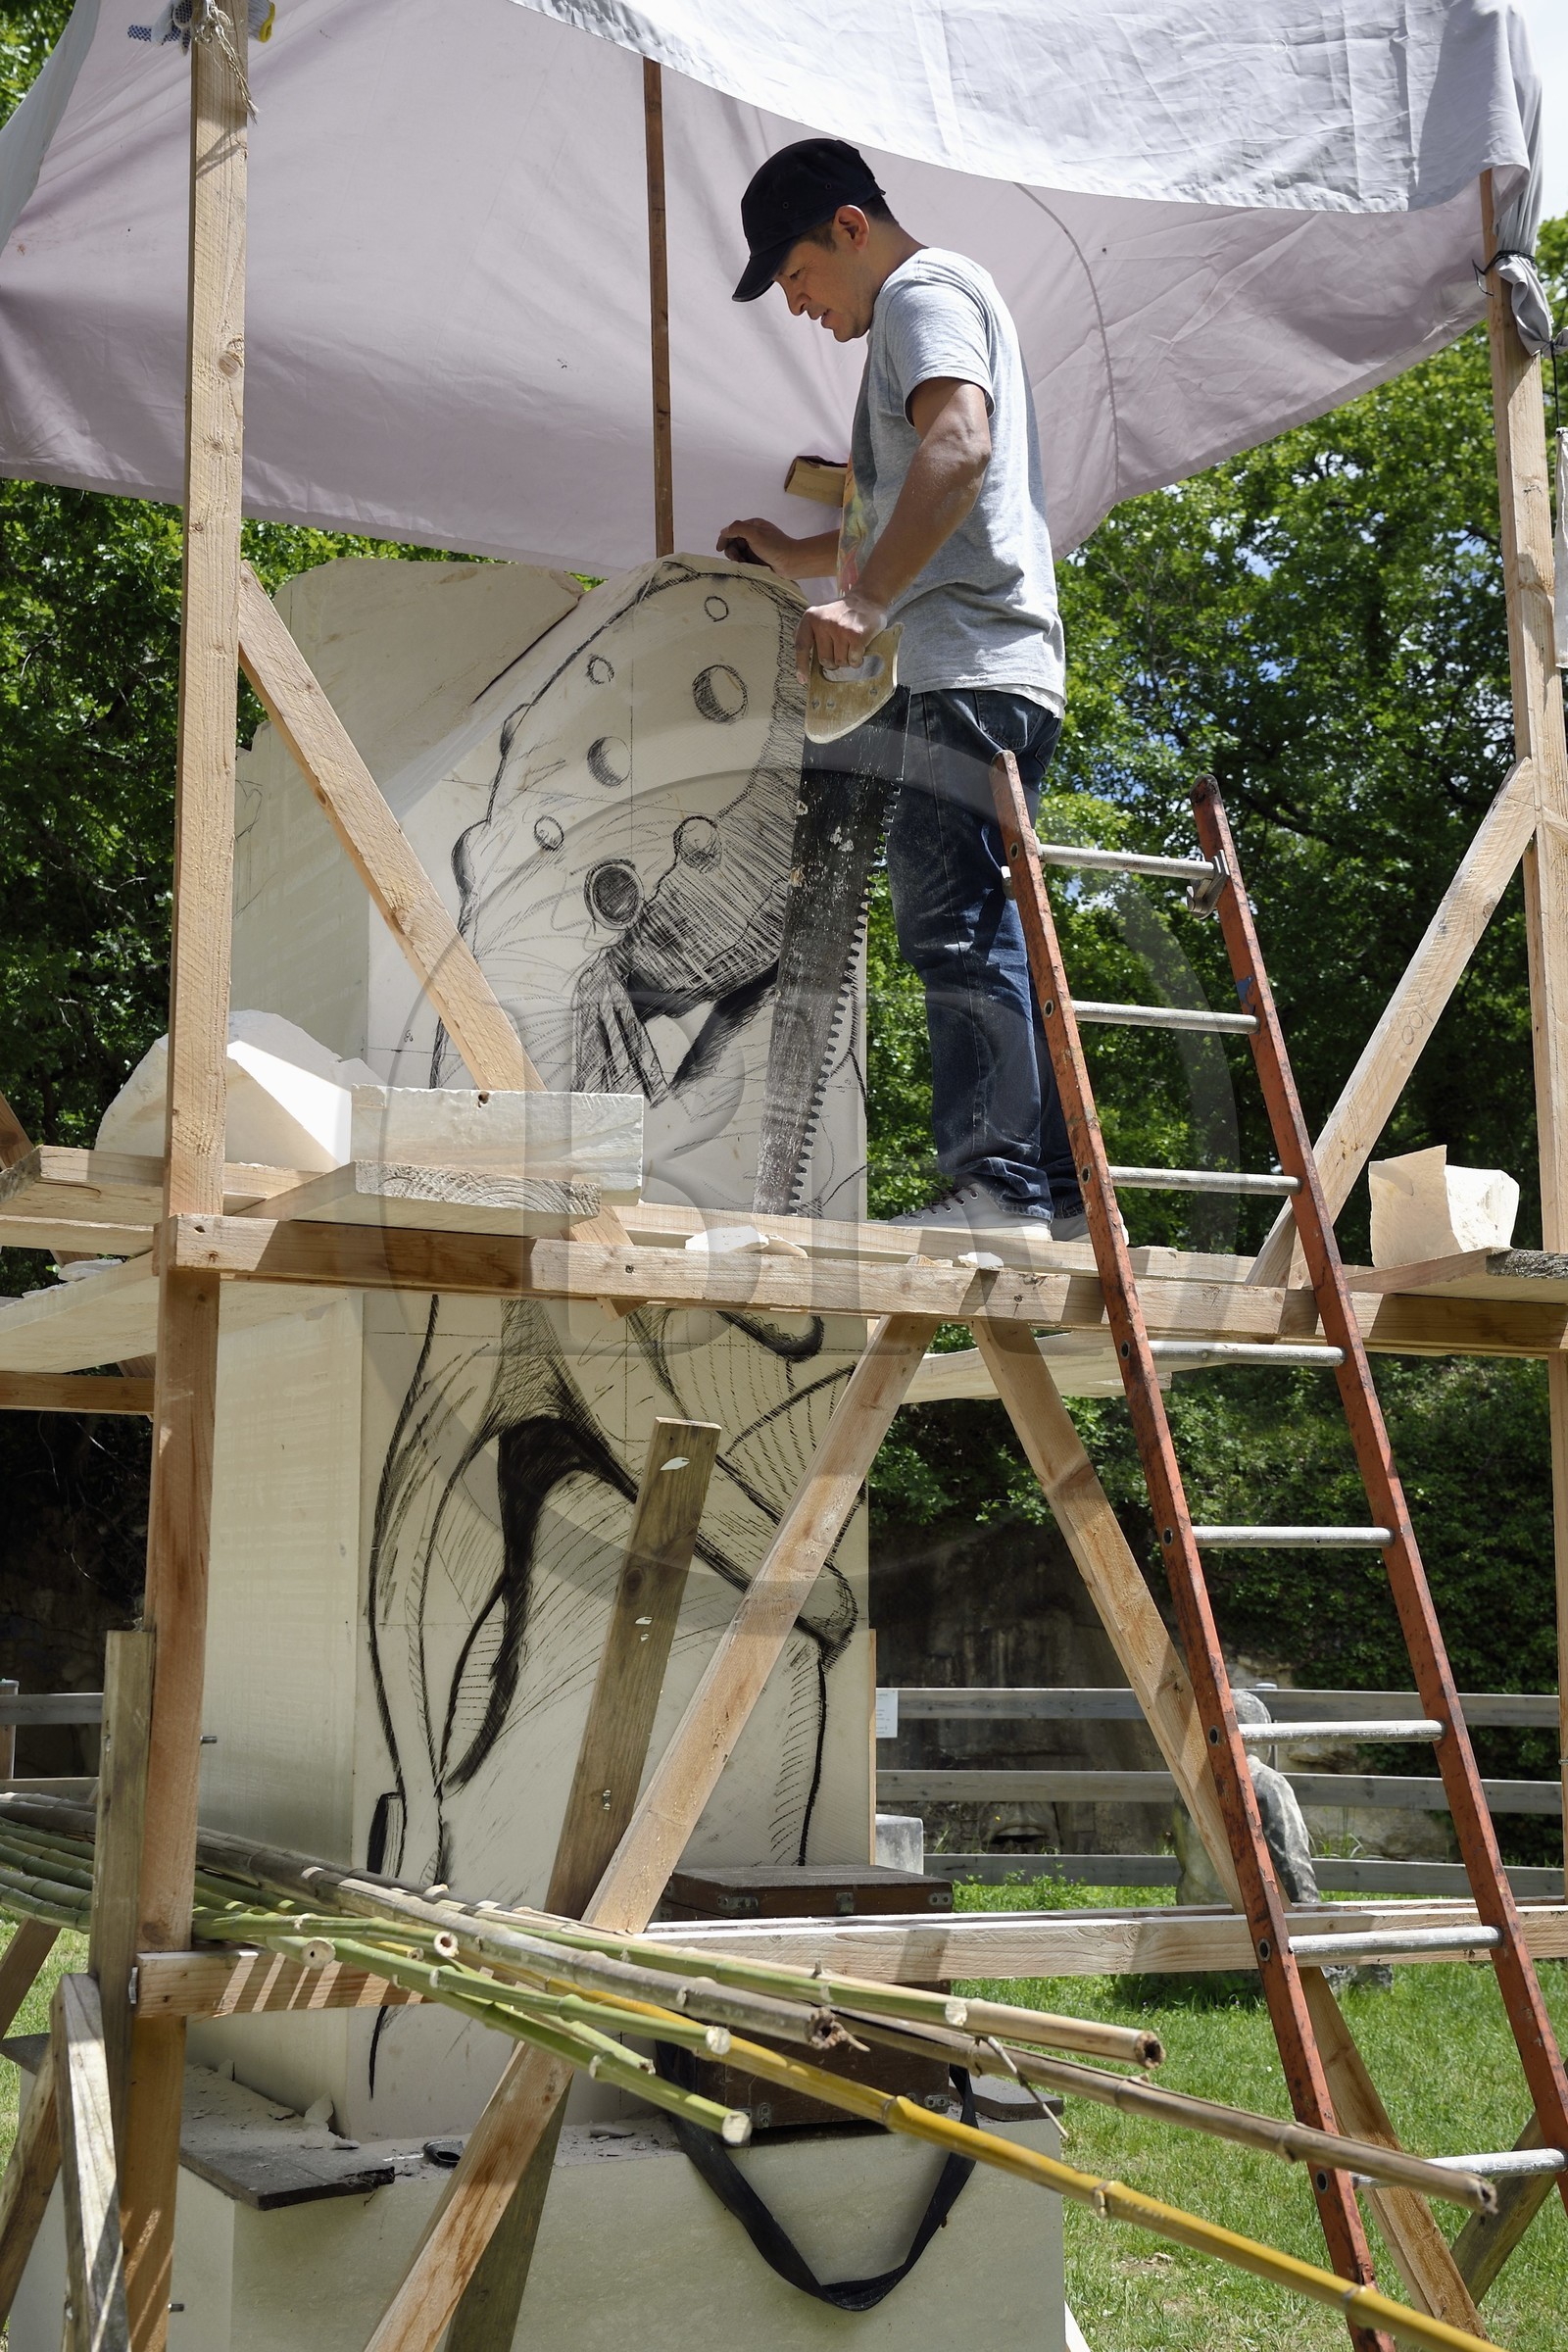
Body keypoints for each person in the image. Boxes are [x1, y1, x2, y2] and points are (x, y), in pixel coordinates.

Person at [719, 136, 1085, 1244]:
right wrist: (798, 555)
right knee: (991, 928)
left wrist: (866, 603)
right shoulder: (934, 303)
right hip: (996, 666)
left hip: (964, 666)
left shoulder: (923, 293)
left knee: (951, 924)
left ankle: (1000, 1190)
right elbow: (915, 503)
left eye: (797, 276)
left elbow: (959, 446)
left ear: (849, 227)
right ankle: (1057, 1197)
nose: (797, 305)